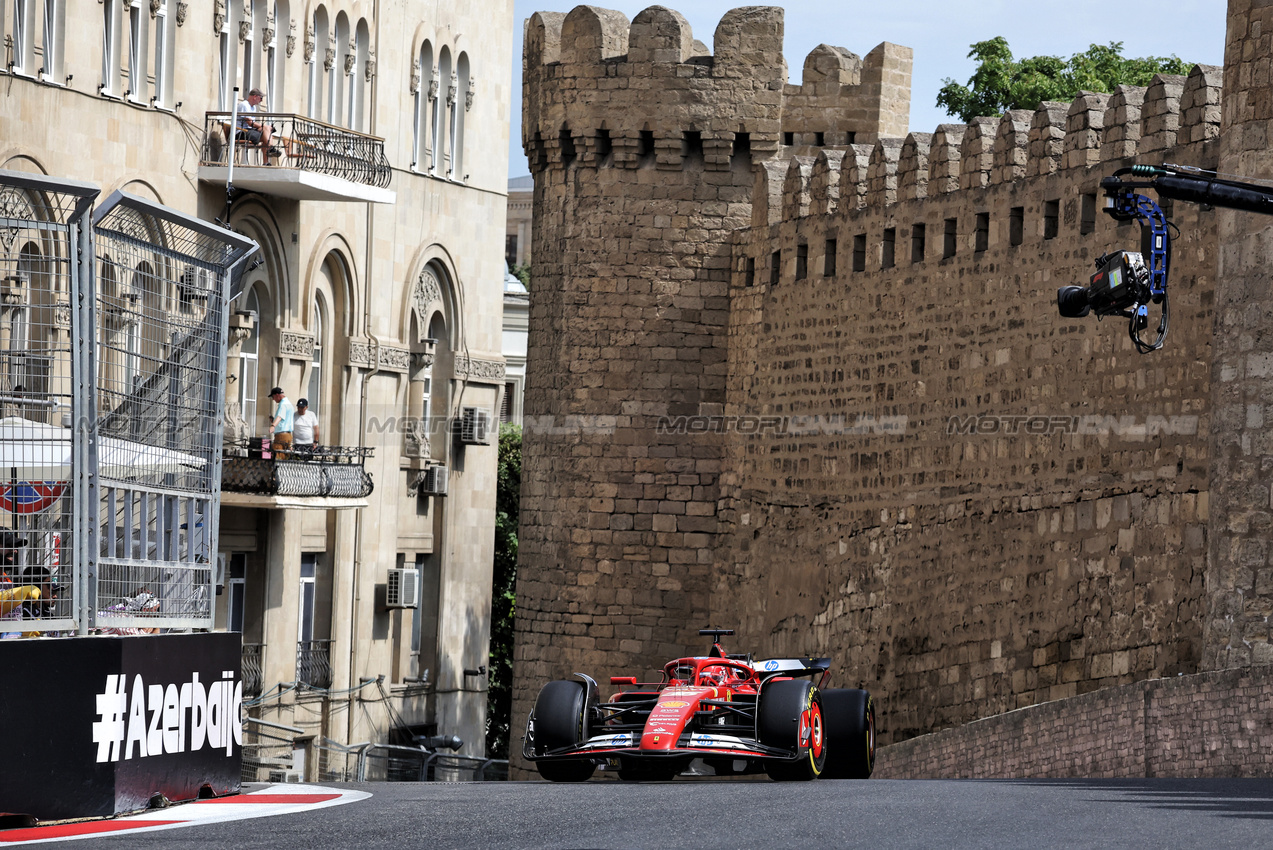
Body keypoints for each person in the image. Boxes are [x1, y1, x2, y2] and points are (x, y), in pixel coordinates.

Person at [235, 88, 280, 163]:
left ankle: (266, 161)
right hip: (241, 132)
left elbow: (252, 124)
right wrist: (262, 127)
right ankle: (271, 148)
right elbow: (250, 123)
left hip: (249, 131)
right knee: (266, 131)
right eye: (261, 98)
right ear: (255, 96)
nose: (261, 100)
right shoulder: (244, 105)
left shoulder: (253, 107)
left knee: (267, 133)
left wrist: (262, 128)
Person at [269, 387, 294, 458]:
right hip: (288, 435)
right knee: (285, 456)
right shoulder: (289, 404)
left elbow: (280, 416)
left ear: (277, 395)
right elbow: (284, 419)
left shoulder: (283, 404)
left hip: (281, 435)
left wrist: (273, 425)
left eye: (273, 397)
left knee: (278, 456)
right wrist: (274, 420)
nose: (273, 399)